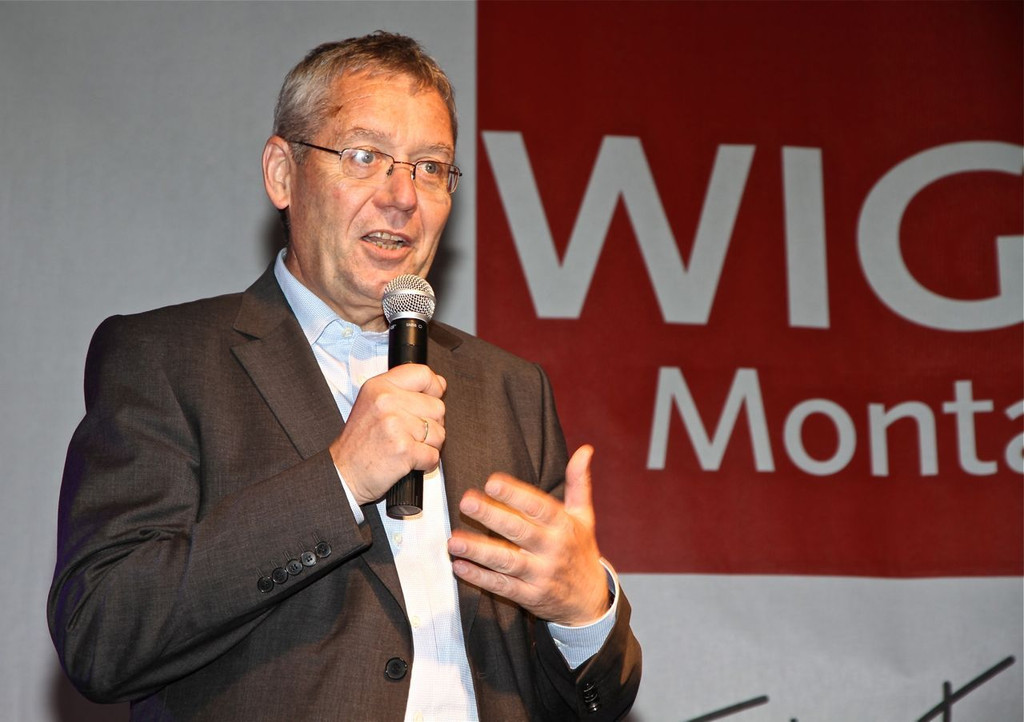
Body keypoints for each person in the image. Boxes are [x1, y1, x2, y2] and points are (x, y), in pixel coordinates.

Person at [48, 31, 641, 721]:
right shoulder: (168, 359)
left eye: (430, 167)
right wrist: (339, 480)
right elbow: (101, 632)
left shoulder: (509, 389)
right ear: (282, 173)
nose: (402, 197)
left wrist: (582, 610)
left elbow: (594, 699)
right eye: (364, 156)